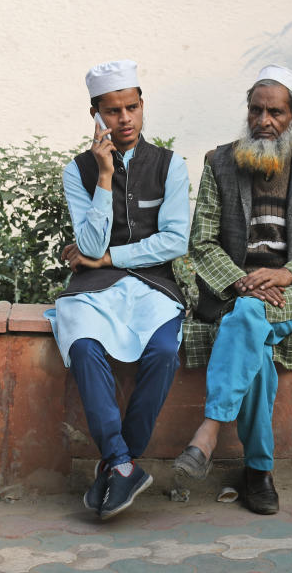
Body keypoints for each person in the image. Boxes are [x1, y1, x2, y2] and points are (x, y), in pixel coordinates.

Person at [175, 65, 292, 514]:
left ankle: (210, 431)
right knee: (250, 329)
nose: (263, 121)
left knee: (247, 317)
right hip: (237, 287)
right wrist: (239, 280)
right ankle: (259, 471)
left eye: (275, 112)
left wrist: (288, 273)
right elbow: (203, 241)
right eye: (256, 110)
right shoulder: (221, 162)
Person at [46, 60, 190, 519]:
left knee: (164, 352)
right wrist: (105, 176)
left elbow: (174, 241)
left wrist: (111, 257)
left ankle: (116, 462)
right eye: (112, 111)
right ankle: (124, 462)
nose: (124, 119)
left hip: (154, 284)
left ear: (143, 106)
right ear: (95, 114)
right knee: (84, 348)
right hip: (92, 288)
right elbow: (87, 243)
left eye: (131, 107)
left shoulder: (171, 166)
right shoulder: (78, 171)